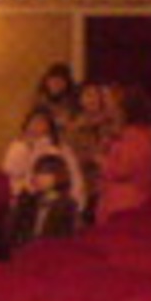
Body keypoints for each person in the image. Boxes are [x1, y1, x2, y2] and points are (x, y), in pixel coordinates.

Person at [96, 85, 151, 224]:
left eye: (115, 108)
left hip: (125, 204)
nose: (112, 111)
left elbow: (123, 169)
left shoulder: (136, 136)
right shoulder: (139, 134)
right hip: (126, 200)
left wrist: (101, 160)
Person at [2, 105, 85, 206]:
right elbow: (12, 175)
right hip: (27, 199)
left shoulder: (61, 148)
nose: (37, 126)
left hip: (59, 198)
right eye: (34, 122)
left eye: (42, 122)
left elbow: (74, 175)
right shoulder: (19, 147)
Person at [6, 154, 79, 249]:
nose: (37, 177)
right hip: (27, 251)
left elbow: (67, 238)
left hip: (51, 251)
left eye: (44, 173)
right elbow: (13, 231)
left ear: (58, 176)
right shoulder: (29, 202)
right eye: (36, 173)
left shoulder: (67, 206)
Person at [65, 80, 114, 218]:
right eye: (88, 95)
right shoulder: (74, 128)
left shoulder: (113, 124)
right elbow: (71, 156)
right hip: (87, 184)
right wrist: (92, 158)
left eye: (97, 95)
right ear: (80, 100)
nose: (93, 99)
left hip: (111, 183)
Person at [34, 61, 80, 135]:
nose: (56, 84)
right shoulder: (40, 102)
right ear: (46, 81)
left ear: (67, 84)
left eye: (60, 81)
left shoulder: (73, 104)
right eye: (53, 80)